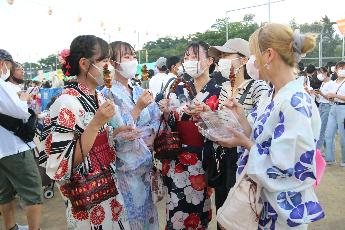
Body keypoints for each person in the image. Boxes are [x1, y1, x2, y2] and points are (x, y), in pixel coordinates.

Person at [217, 23, 325, 229]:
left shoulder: (296, 102)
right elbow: (259, 138)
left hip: (280, 210)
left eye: (253, 54)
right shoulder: (271, 94)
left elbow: (287, 166)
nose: (252, 61)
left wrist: (247, 145)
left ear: (268, 55)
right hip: (262, 203)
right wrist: (241, 118)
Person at [40, 35, 130, 229]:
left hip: (109, 187)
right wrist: (96, 124)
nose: (110, 66)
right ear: (84, 63)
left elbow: (101, 141)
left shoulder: (97, 95)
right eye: (104, 60)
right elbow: (62, 165)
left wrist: (117, 133)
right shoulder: (66, 102)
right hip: (87, 195)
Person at [207, 38, 270, 229]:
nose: (222, 60)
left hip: (243, 161)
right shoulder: (225, 87)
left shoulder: (258, 88)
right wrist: (207, 116)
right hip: (223, 158)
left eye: (226, 55)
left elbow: (260, 131)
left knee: (240, 213)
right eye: (221, 56)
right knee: (223, 210)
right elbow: (223, 123)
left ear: (243, 60)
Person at [159, 41, 220, 229]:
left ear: (210, 60)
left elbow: (223, 126)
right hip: (178, 158)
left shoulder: (219, 88)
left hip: (205, 157)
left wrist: (208, 115)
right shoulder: (178, 87)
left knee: (200, 210)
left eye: (195, 56)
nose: (189, 60)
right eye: (186, 57)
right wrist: (167, 112)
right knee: (176, 209)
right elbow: (168, 124)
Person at [105, 41, 160, 229]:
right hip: (126, 167)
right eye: (126, 57)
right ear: (113, 63)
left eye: (133, 56)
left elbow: (155, 117)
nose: (132, 61)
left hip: (145, 162)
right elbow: (118, 133)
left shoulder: (137, 89)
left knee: (148, 214)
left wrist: (152, 135)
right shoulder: (107, 93)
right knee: (132, 215)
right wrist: (137, 109)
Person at [0, 50, 43, 230]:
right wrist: (24, 99)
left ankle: (10, 228)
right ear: (3, 63)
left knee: (4, 193)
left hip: (3, 149)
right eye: (10, 65)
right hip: (13, 147)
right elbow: (20, 111)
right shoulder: (2, 85)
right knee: (32, 191)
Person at [324, 61, 345, 166]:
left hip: (343, 108)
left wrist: (335, 96)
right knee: (328, 134)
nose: (341, 70)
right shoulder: (333, 82)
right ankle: (330, 158)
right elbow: (331, 97)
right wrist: (331, 97)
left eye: (343, 68)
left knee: (343, 136)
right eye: (340, 68)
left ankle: (344, 160)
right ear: (335, 70)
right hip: (333, 107)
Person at [314, 66, 332, 151]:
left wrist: (321, 94)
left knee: (321, 129)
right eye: (317, 73)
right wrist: (316, 94)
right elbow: (321, 98)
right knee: (321, 128)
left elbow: (330, 98)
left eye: (320, 73)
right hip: (321, 105)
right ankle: (326, 149)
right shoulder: (323, 83)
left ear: (325, 73)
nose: (318, 75)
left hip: (327, 107)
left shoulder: (331, 83)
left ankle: (317, 150)